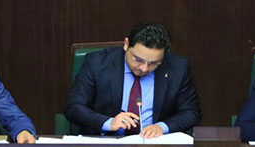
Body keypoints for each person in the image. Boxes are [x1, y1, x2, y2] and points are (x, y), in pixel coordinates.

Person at [64, 23, 201, 138]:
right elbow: (74, 107)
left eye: (153, 63)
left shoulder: (178, 68)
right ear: (126, 44)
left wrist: (161, 127)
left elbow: (191, 112)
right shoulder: (97, 63)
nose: (144, 68)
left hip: (153, 146)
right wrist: (109, 123)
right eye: (138, 59)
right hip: (106, 142)